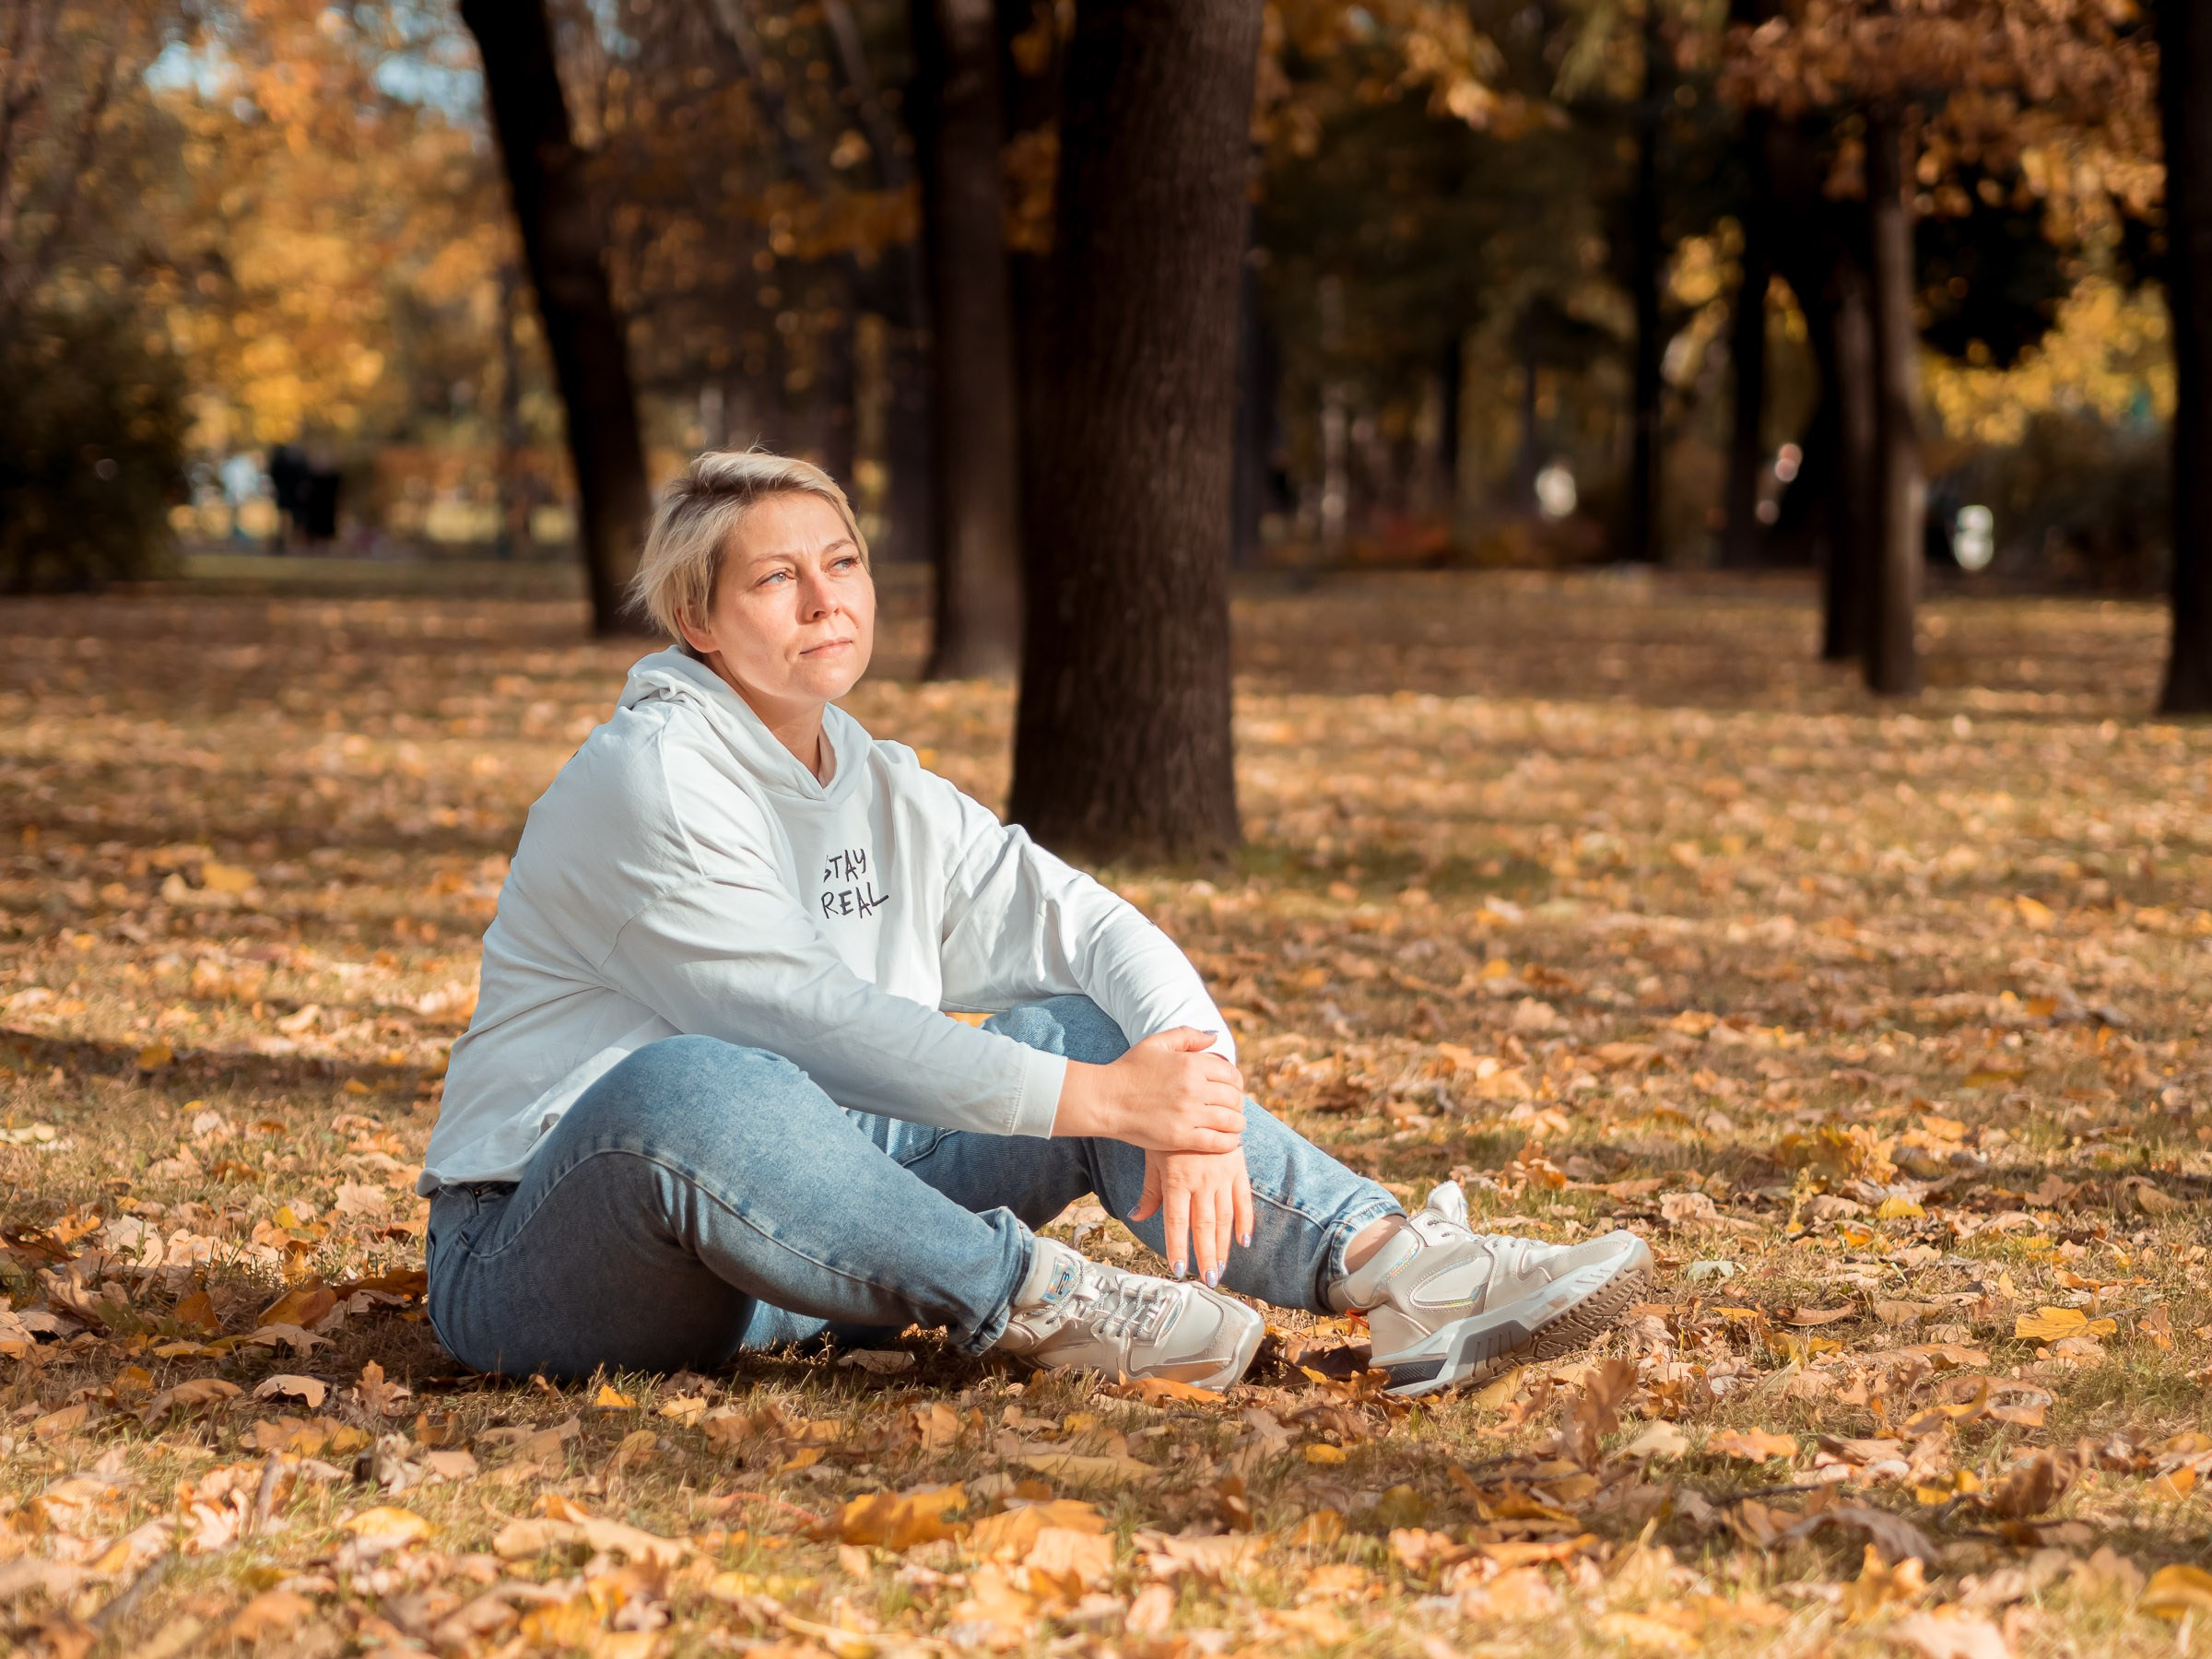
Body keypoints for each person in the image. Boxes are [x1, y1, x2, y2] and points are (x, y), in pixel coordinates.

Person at [418, 449, 1652, 1394]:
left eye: (841, 562)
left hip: (816, 1234)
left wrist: (1192, 1093)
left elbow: (1089, 925)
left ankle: (1407, 1278)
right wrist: (1105, 1107)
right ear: (700, 620)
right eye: (774, 577)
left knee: (1080, 1023)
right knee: (688, 1084)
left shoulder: (879, 780)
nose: (824, 599)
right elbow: (806, 1018)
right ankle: (1048, 1302)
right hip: (560, 1254)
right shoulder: (650, 779)